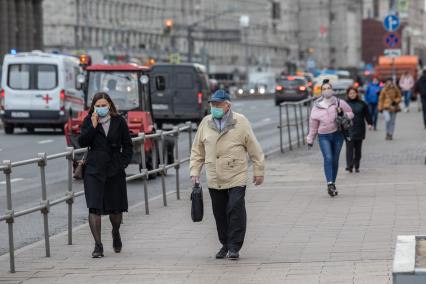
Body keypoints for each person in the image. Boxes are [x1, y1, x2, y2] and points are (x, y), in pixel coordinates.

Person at [189, 89, 265, 260]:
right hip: (214, 175)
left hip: (236, 173)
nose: (214, 107)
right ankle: (225, 243)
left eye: (217, 104)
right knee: (220, 213)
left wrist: (258, 170)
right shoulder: (205, 123)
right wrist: (195, 171)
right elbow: (197, 150)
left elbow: (254, 147)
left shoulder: (241, 122)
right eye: (212, 104)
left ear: (227, 105)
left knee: (235, 209)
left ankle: (234, 246)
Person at [78, 92, 133, 258]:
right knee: (94, 206)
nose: (101, 108)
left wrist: (122, 163)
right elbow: (82, 142)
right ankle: (98, 245)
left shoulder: (119, 121)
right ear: (93, 107)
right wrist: (93, 126)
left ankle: (115, 233)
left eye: (103, 105)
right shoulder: (89, 121)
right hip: (94, 169)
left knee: (115, 209)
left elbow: (128, 146)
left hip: (114, 169)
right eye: (98, 105)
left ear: (109, 104)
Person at [306, 80, 354, 197]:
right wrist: (310, 139)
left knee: (335, 159)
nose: (327, 90)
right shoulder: (316, 106)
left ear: (332, 90)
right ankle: (330, 183)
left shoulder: (339, 102)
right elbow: (313, 126)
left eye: (329, 88)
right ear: (321, 91)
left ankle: (333, 183)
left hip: (338, 134)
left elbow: (351, 113)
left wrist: (343, 114)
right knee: (328, 157)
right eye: (324, 89)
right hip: (323, 136)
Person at [344, 87, 372, 173]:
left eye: (353, 93)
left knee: (358, 149)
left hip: (360, 128)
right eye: (350, 93)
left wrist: (370, 123)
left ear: (356, 93)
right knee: (349, 148)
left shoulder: (362, 104)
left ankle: (357, 165)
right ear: (348, 94)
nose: (352, 95)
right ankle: (349, 165)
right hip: (348, 129)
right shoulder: (344, 104)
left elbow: (367, 114)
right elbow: (340, 115)